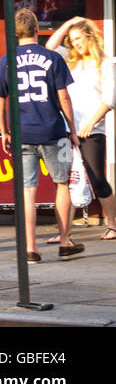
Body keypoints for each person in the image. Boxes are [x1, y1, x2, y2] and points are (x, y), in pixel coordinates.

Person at [0, 8, 83, 263]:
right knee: (62, 184)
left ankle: (31, 249)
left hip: (22, 135)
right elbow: (64, 96)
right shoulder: (53, 58)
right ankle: (65, 242)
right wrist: (73, 130)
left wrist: (4, 133)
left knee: (27, 191)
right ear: (36, 30)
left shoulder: (6, 60)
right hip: (54, 132)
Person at [45, 16, 116, 240]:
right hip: (67, 128)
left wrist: (92, 122)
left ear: (89, 36)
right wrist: (67, 24)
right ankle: (64, 232)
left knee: (97, 178)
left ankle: (112, 225)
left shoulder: (103, 62)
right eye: (72, 39)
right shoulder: (69, 59)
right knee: (66, 179)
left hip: (91, 130)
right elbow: (50, 47)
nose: (75, 43)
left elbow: (110, 98)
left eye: (78, 38)